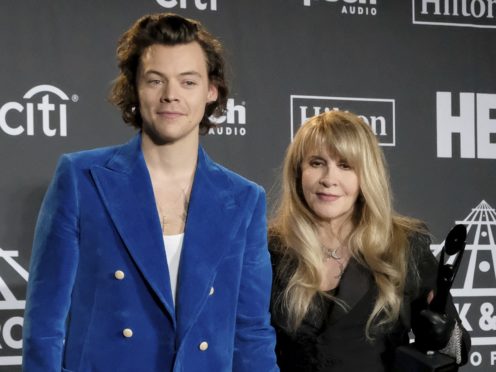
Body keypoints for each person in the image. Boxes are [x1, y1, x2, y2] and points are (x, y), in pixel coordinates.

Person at [22, 13, 278, 372]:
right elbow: (45, 324)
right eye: (155, 80)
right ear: (134, 88)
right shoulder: (82, 179)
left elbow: (251, 334)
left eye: (188, 82)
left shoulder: (243, 200)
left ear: (211, 91)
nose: (171, 95)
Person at [269, 110, 470, 371]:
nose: (329, 179)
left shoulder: (404, 245)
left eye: (345, 165)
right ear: (298, 173)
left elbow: (459, 349)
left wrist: (445, 335)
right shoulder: (269, 249)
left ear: (366, 176)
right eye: (317, 163)